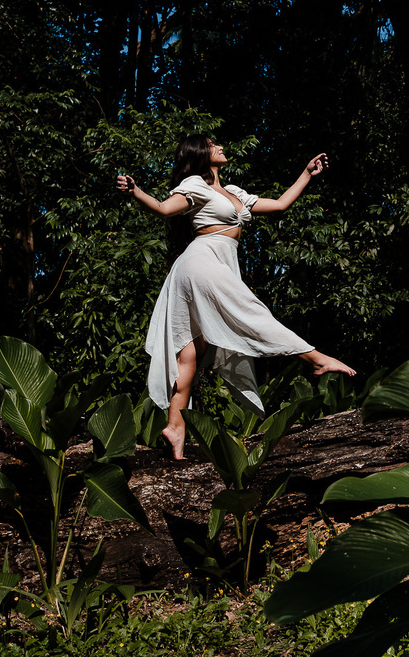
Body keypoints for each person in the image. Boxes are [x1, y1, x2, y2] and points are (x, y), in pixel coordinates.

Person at [117, 134, 355, 460]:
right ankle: (316, 359)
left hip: (214, 264)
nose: (222, 147)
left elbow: (281, 204)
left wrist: (307, 173)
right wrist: (135, 191)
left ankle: (175, 427)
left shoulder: (234, 194)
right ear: (201, 154)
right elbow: (162, 209)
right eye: (215, 145)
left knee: (192, 351)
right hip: (200, 261)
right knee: (251, 313)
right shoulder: (194, 185)